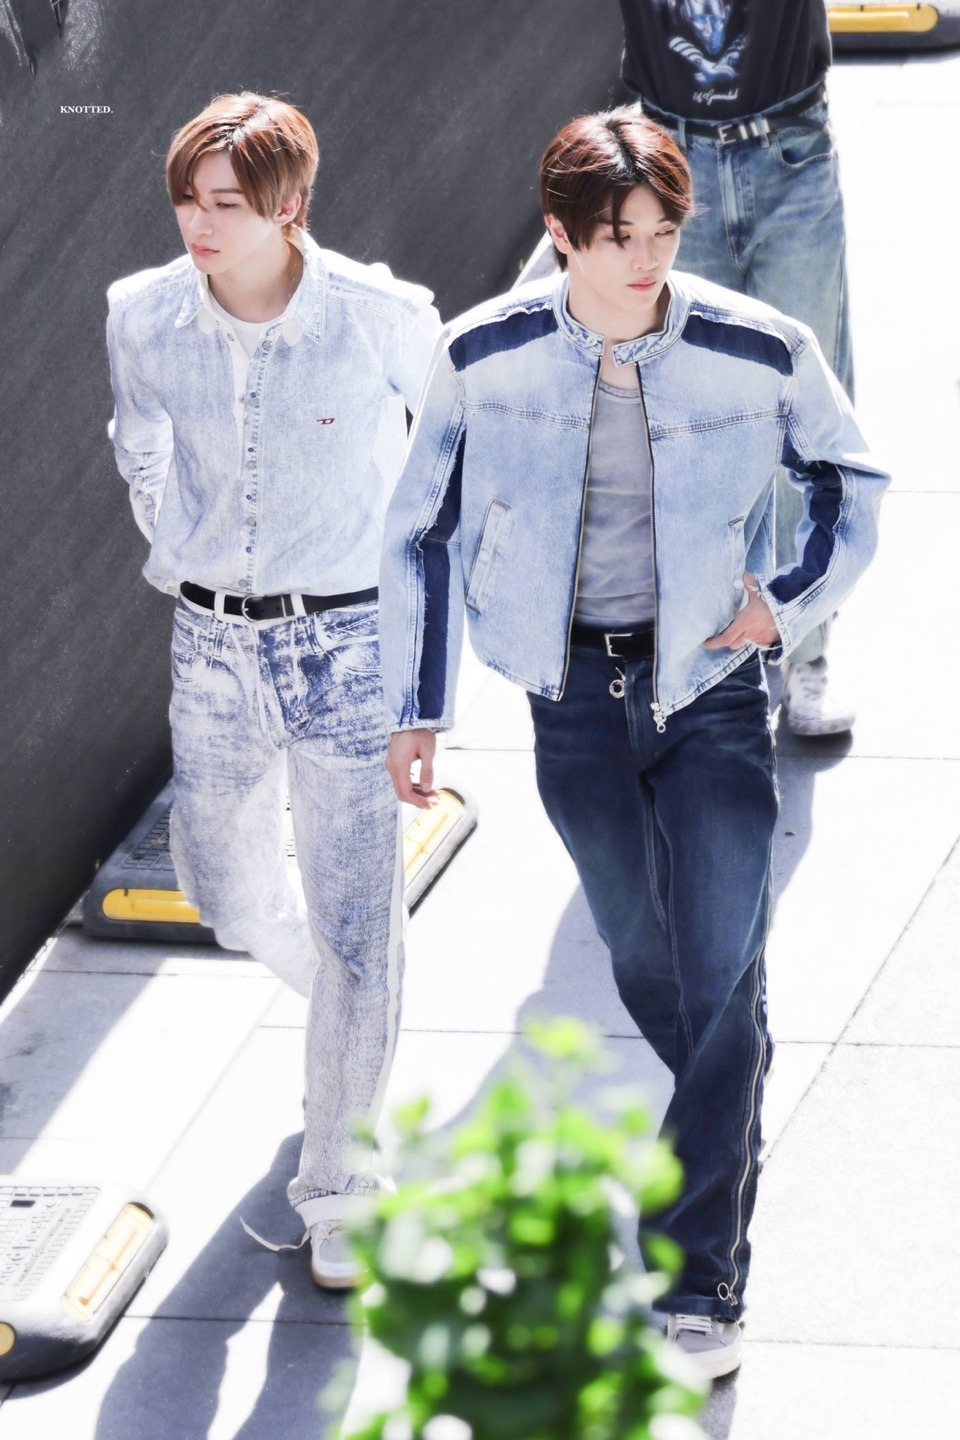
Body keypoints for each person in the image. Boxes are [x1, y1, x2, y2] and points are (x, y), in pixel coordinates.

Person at [379, 108, 888, 1377]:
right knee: (646, 958)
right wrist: (417, 704)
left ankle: (700, 1277)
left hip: (711, 689)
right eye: (620, 238)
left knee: (721, 971)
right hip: (570, 698)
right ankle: (729, 1094)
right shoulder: (483, 354)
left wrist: (787, 605)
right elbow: (417, 530)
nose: (649, 258)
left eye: (664, 231)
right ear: (561, 234)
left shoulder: (754, 345)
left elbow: (849, 478)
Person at [105, 92, 440, 1289]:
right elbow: (140, 445)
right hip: (210, 647)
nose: (199, 225)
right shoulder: (142, 316)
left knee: (357, 924)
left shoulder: (382, 318)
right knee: (224, 890)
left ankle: (342, 1182)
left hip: (350, 643)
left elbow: (446, 478)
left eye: (226, 205)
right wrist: (186, 546)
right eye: (187, 202)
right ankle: (352, 1005)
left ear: (290, 207)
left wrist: (425, 672)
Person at [616, 0, 856, 736]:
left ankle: (806, 651)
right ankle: (711, 654)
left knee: (805, 414)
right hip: (670, 166)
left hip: (790, 153)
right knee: (690, 424)